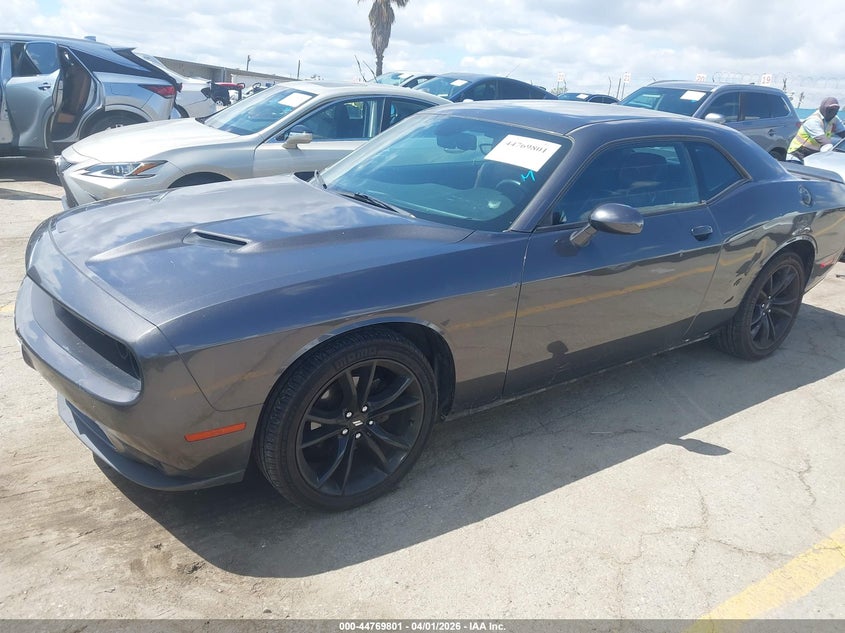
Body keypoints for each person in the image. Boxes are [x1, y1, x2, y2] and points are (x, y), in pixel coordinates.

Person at [786, 97, 845, 161]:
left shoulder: (834, 119)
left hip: (813, 155)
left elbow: (843, 133)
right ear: (824, 108)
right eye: (831, 109)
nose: (833, 112)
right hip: (798, 153)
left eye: (836, 109)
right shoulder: (813, 121)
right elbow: (825, 143)